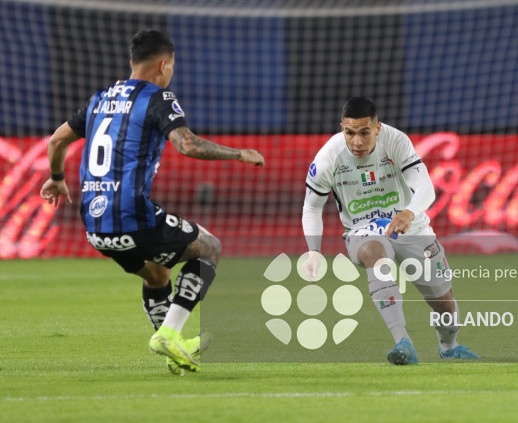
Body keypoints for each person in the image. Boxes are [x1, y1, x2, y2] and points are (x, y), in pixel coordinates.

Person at [39, 29, 265, 375]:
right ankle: (170, 334)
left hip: (96, 228)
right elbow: (187, 145)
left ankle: (169, 343)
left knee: (158, 275)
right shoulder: (157, 98)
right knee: (210, 248)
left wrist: (57, 178)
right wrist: (239, 154)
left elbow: (57, 140)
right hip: (131, 217)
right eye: (171, 66)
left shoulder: (99, 99)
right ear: (163, 65)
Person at [301, 96, 479, 365]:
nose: (357, 141)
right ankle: (402, 342)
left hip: (411, 224)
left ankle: (449, 346)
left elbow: (426, 188)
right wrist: (313, 251)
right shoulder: (328, 158)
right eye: (350, 133)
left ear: (377, 128)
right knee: (375, 251)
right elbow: (311, 207)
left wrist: (409, 212)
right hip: (362, 229)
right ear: (342, 129)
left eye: (364, 132)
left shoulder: (396, 141)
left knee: (443, 301)